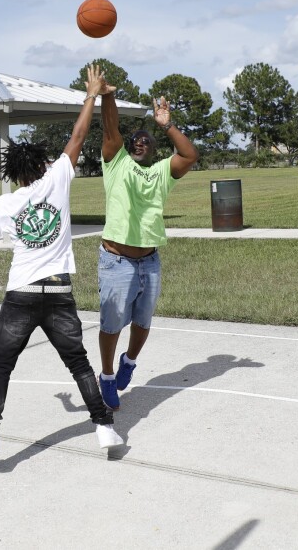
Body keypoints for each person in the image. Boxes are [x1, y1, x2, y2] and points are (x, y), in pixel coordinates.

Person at [0, 64, 125, 462]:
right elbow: (78, 135)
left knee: (2, 366)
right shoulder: (57, 179)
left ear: (14, 174)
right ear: (42, 165)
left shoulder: (3, 204)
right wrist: (92, 94)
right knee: (78, 363)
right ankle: (104, 428)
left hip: (21, 294)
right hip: (58, 290)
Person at [95, 90, 199, 410]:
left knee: (143, 320)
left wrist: (166, 125)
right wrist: (107, 97)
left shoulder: (162, 172)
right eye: (134, 141)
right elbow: (110, 129)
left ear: (154, 148)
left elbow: (189, 155)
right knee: (112, 324)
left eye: (145, 140)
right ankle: (107, 376)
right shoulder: (117, 164)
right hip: (116, 261)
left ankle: (129, 361)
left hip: (149, 261)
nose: (139, 143)